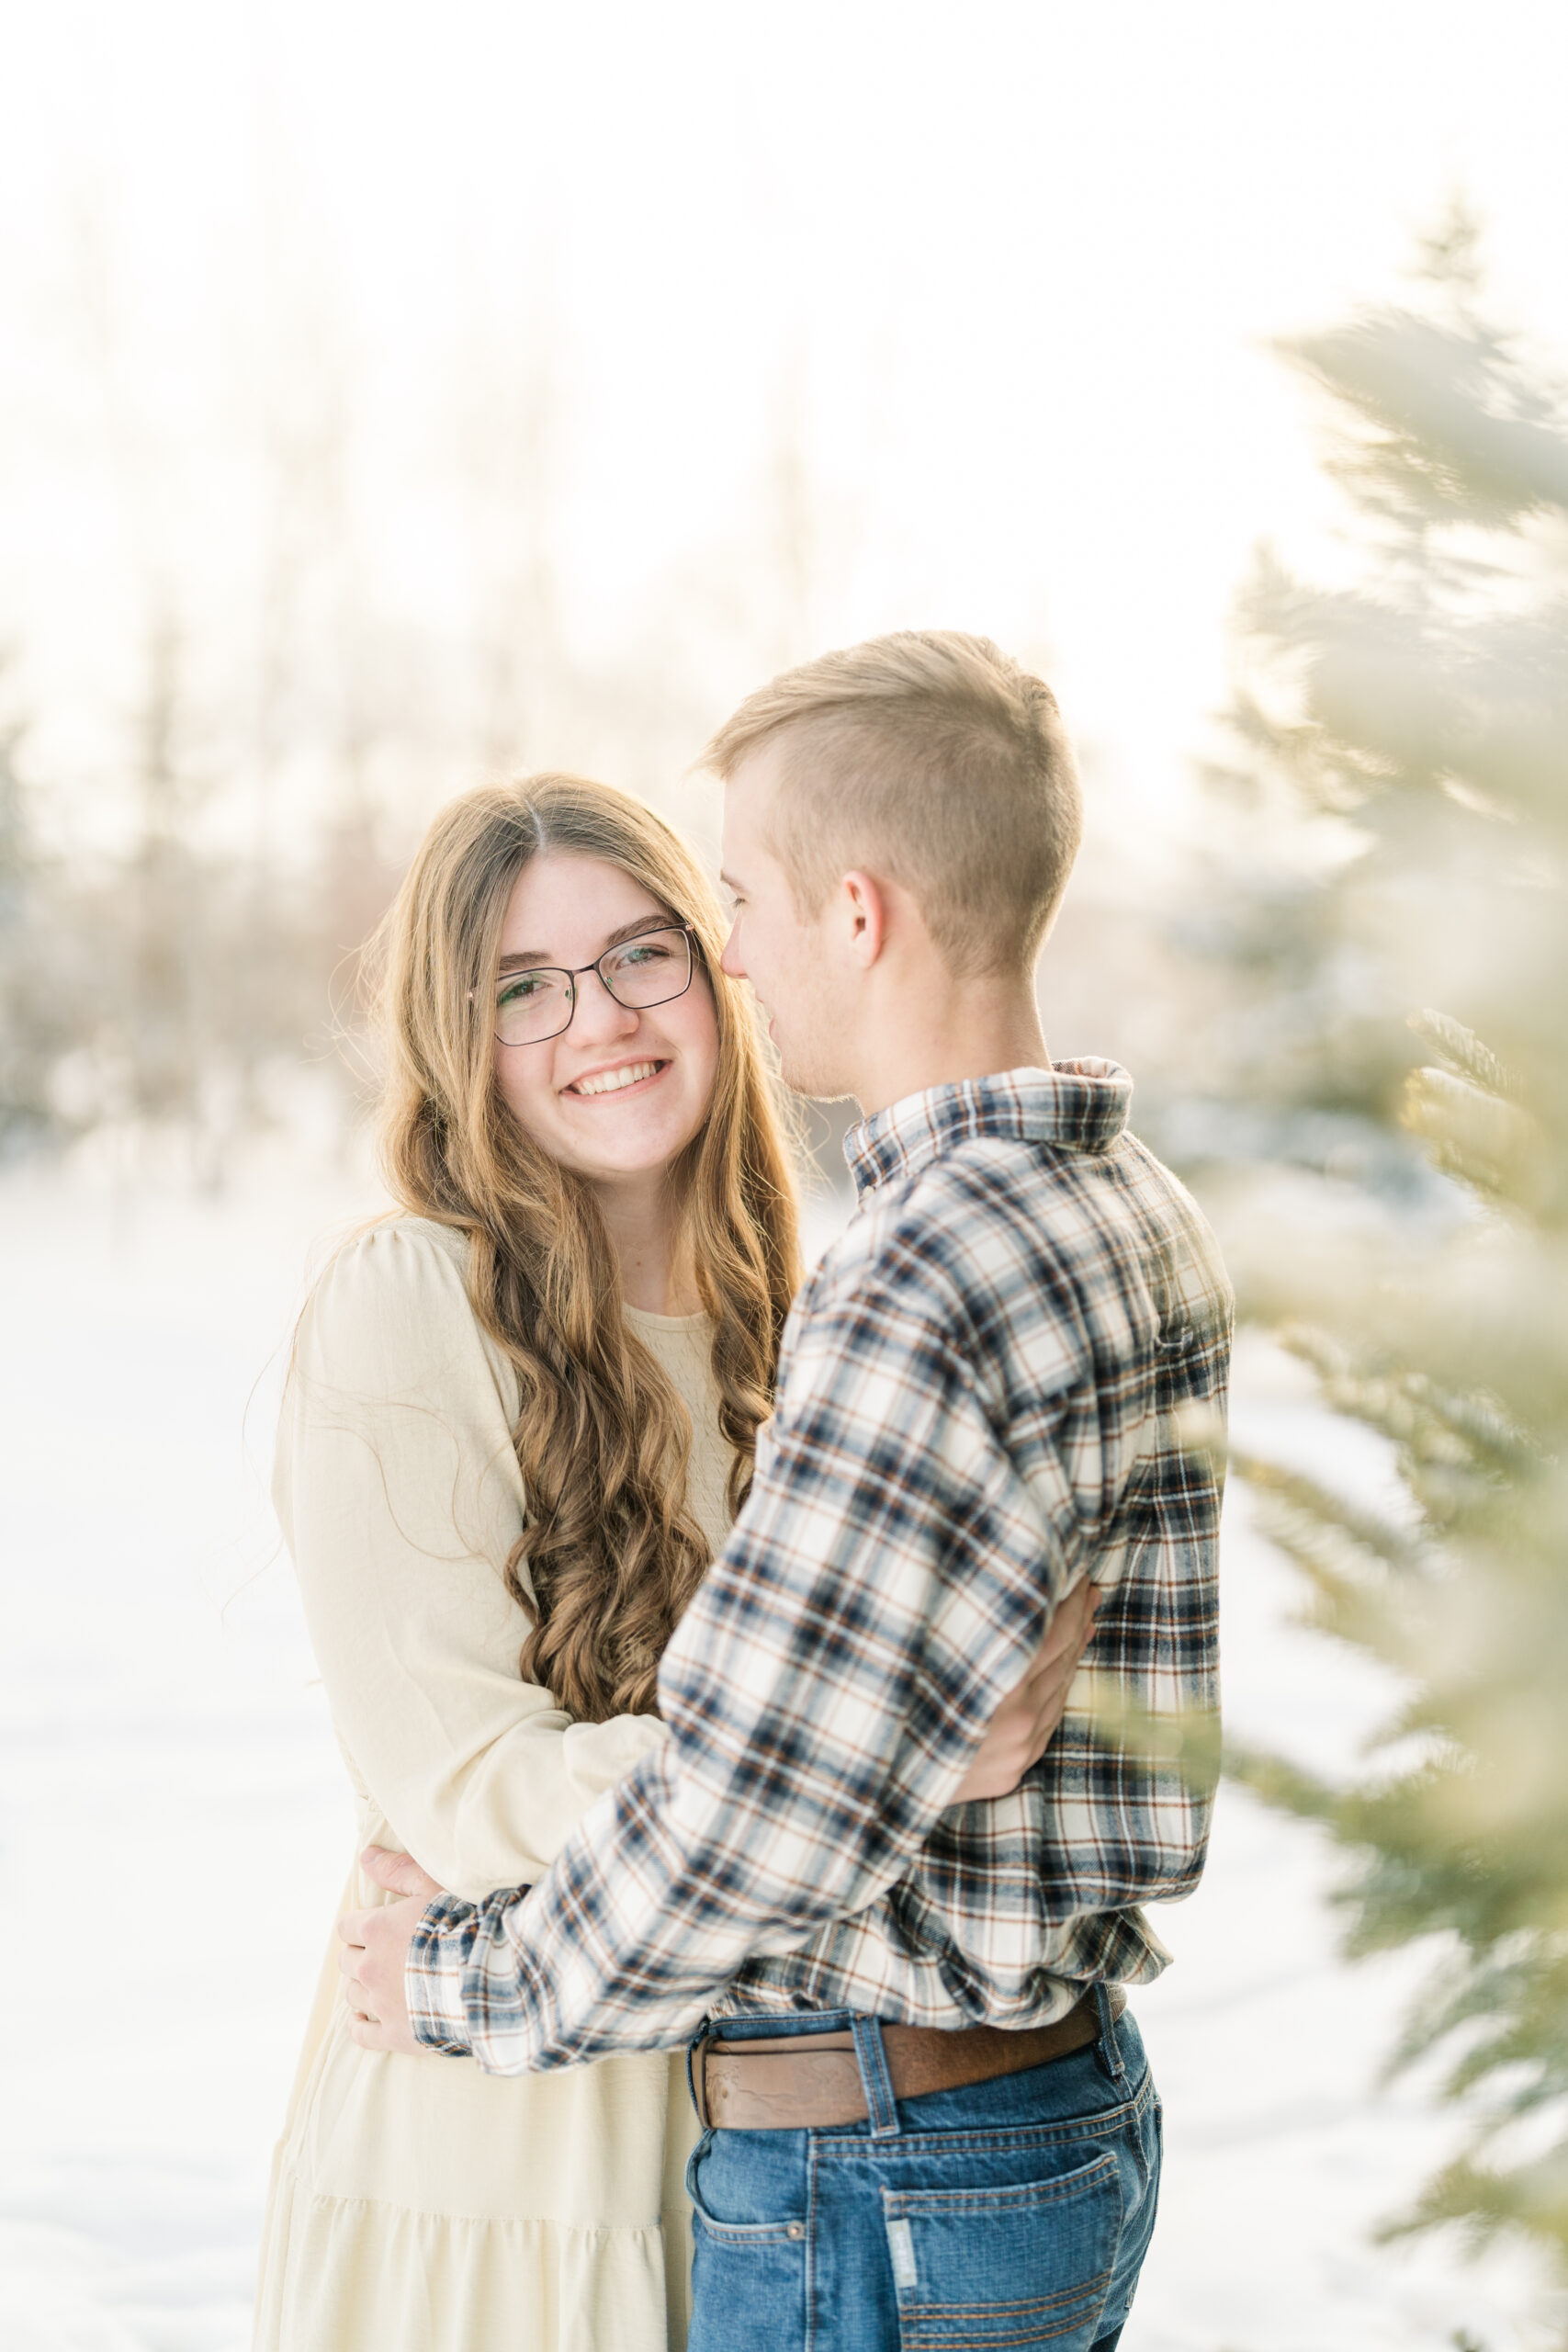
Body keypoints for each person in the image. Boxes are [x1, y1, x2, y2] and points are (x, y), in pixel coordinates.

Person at [345, 631, 1235, 2352]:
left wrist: (459, 1979)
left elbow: (756, 1820)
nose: (731, 960)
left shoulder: (917, 1270)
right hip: (1050, 2115)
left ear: (858, 912)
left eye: (735, 902)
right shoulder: (1135, 1207)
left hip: (883, 2167)